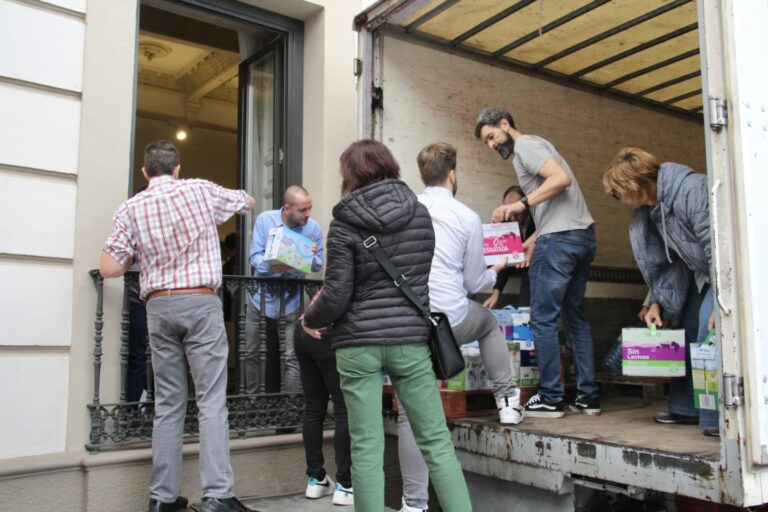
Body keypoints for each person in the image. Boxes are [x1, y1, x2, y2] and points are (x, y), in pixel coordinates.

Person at [301, 140, 472, 512]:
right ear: (390, 166)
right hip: (410, 340)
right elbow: (420, 279)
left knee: (366, 446)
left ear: (351, 174)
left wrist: (309, 319)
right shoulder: (420, 215)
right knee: (437, 442)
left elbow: (336, 295)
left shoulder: (344, 222)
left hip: (357, 344)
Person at [100, 139, 258, 512]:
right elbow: (247, 201)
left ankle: (163, 498)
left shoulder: (131, 207)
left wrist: (142, 251)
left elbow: (109, 267)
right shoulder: (199, 190)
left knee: (168, 403)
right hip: (200, 302)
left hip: (158, 306)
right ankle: (217, 495)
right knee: (211, 400)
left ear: (144, 172)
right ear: (177, 169)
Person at [476, 107, 600, 418]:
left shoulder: (525, 146)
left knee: (542, 318)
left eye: (491, 136)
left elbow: (561, 179)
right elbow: (552, 212)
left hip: (559, 241)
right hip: (580, 236)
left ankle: (550, 397)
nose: (491, 145)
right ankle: (588, 396)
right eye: (486, 142)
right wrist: (527, 242)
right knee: (574, 316)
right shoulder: (536, 145)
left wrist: (520, 204)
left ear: (505, 124)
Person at [603, 147, 718, 436]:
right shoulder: (653, 210)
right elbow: (671, 261)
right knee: (687, 330)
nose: (617, 198)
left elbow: (716, 245)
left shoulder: (691, 191)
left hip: (724, 273)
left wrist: (722, 300)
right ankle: (687, 409)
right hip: (700, 274)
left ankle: (718, 418)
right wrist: (656, 301)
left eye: (617, 192)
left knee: (707, 334)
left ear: (634, 184)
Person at [245, 186, 323, 394]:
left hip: (291, 299)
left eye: (310, 208)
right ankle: (251, 403)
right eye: (303, 210)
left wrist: (308, 256)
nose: (308, 214)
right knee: (251, 352)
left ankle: (289, 406)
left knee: (291, 355)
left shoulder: (313, 228)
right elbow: (254, 256)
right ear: (287, 208)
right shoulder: (265, 220)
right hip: (260, 297)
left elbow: (318, 264)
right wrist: (271, 266)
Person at [294, 306, 353, 506]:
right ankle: (345, 485)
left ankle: (316, 478)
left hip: (305, 330)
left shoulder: (327, 285)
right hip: (328, 332)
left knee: (313, 408)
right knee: (344, 410)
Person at [483, 185, 536, 309]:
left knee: (531, 268)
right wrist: (496, 292)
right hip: (515, 262)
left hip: (532, 264)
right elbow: (505, 260)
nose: (512, 215)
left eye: (515, 209)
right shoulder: (506, 220)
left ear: (526, 206)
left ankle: (524, 308)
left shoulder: (537, 219)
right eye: (507, 209)